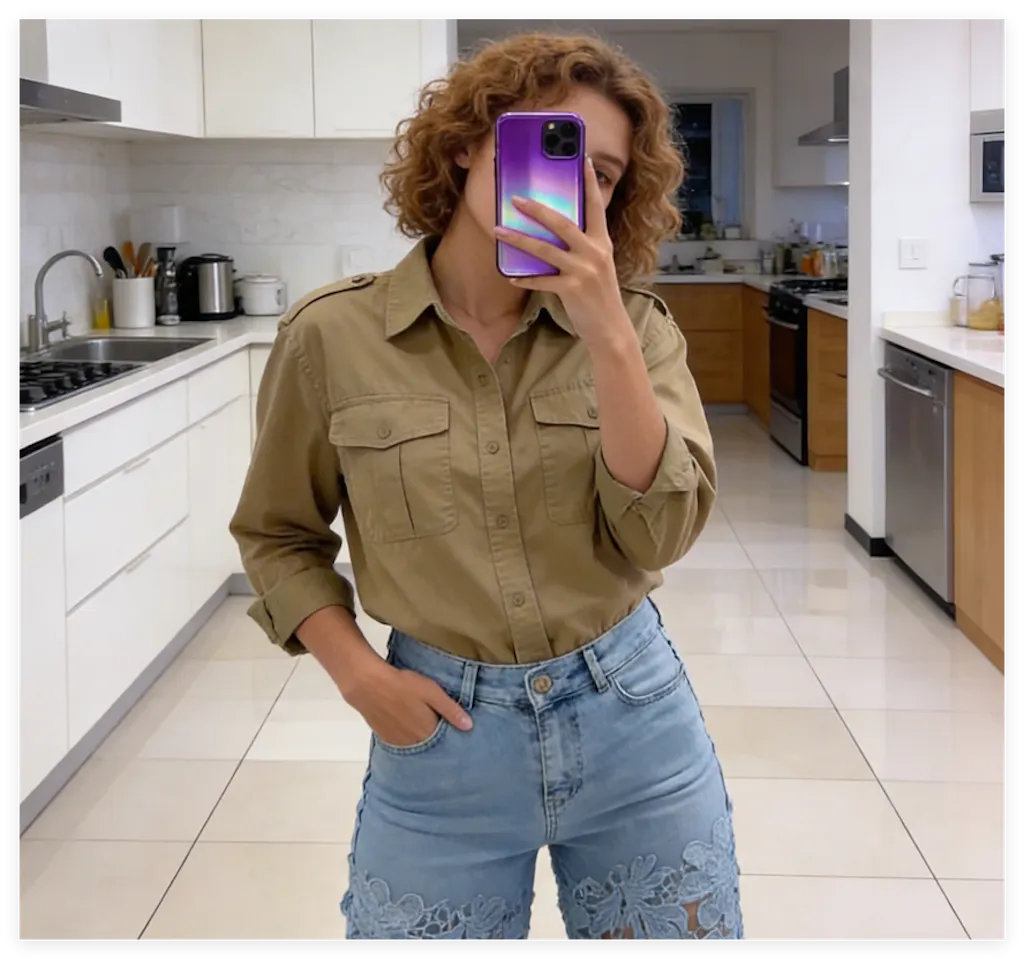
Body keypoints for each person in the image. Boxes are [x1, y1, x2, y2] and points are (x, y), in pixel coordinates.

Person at [230, 32, 743, 941]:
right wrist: (361, 678)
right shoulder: (332, 336)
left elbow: (658, 535)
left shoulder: (638, 332)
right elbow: (277, 535)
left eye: (603, 174)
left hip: (634, 723)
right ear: (470, 141)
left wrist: (606, 335)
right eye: (551, 146)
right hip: (439, 740)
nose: (574, 186)